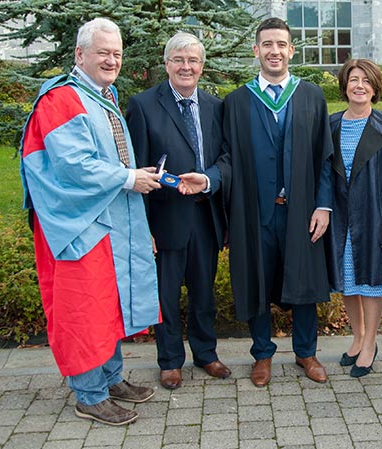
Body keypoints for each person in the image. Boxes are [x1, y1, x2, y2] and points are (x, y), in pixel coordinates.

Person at [19, 18, 161, 426]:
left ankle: (111, 378)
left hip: (107, 220)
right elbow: (73, 166)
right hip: (78, 227)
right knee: (84, 310)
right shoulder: (62, 99)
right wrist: (129, 177)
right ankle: (89, 394)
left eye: (116, 53)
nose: (112, 60)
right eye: (103, 52)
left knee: (108, 305)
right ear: (80, 54)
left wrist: (132, 179)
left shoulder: (101, 95)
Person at [219, 17, 333, 387]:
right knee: (257, 279)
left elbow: (325, 158)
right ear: (256, 50)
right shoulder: (236, 102)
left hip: (301, 210)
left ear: (291, 50)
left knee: (303, 278)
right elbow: (227, 161)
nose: (274, 51)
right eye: (267, 44)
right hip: (254, 212)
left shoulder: (311, 95)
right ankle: (262, 354)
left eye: (281, 44)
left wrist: (323, 205)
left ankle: (306, 352)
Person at [125, 32, 231, 390]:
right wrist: (143, 226)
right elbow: (136, 166)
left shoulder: (217, 106)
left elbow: (227, 160)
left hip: (205, 214)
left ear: (202, 66)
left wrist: (208, 178)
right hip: (164, 217)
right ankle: (170, 361)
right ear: (167, 63)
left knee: (204, 292)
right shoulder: (143, 105)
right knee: (166, 295)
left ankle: (206, 353)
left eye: (193, 60)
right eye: (179, 60)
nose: (187, 67)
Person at [325, 59, 382, 378]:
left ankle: (371, 342)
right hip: (340, 214)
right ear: (345, 85)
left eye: (366, 81)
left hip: (374, 213)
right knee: (347, 280)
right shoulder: (331, 124)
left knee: (370, 282)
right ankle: (357, 337)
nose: (359, 85)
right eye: (353, 79)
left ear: (375, 87)